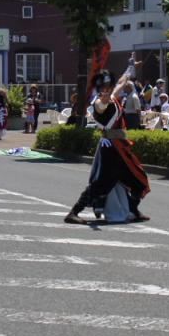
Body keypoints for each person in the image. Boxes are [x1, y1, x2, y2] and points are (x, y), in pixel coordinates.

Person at [64, 63, 150, 225]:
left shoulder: (112, 97)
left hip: (121, 148)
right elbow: (102, 106)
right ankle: (74, 212)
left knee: (139, 180)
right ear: (99, 89)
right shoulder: (98, 103)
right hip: (110, 150)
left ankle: (133, 209)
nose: (108, 89)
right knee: (100, 185)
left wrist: (130, 67)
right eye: (104, 87)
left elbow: (121, 83)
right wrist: (103, 98)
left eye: (109, 87)